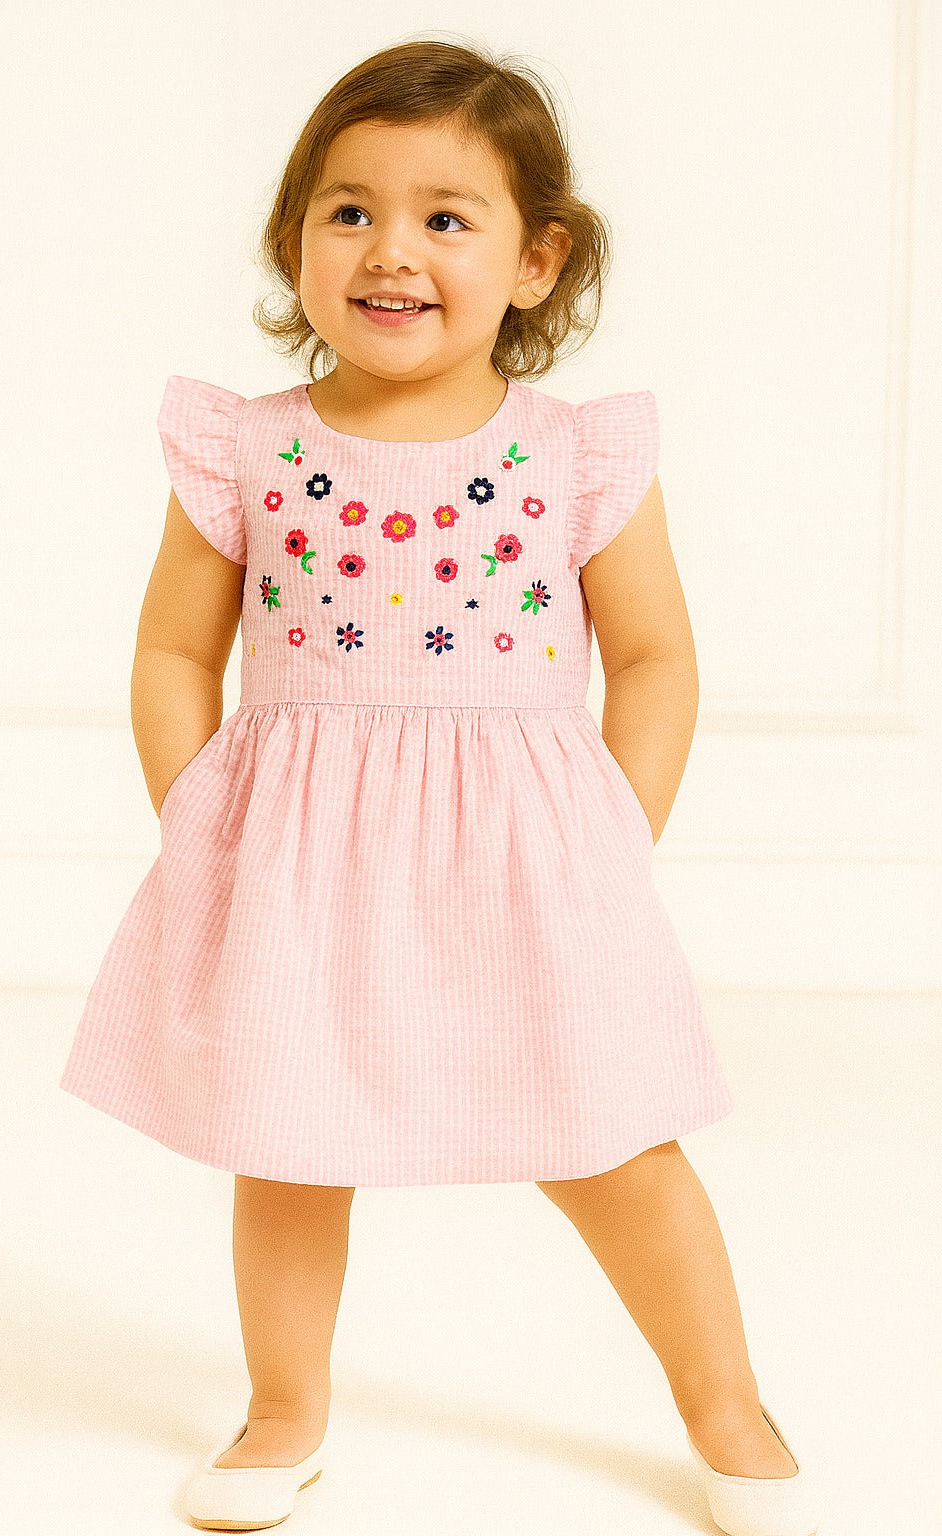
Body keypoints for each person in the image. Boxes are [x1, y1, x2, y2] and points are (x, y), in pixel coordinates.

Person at [59, 37, 820, 1536]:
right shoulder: (251, 451)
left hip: (529, 857)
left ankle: (727, 1403)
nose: (390, 249)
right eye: (347, 211)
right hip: (300, 856)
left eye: (444, 217)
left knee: (612, 1138)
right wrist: (198, 809)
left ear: (536, 260)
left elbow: (657, 657)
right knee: (288, 1137)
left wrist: (616, 827)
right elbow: (170, 649)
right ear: (295, 243)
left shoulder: (575, 458)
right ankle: (285, 1406)